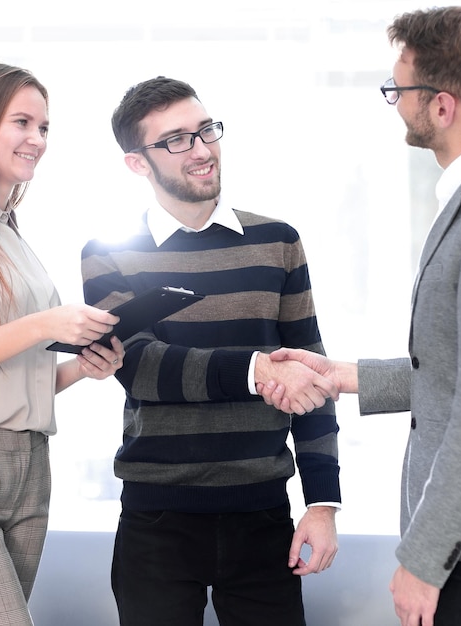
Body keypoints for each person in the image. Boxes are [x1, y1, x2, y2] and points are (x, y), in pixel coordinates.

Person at [260, 6, 461, 626]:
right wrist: (342, 375)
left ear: (442, 106)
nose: (396, 103)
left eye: (401, 89)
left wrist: (422, 559)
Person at [80, 76, 340, 626]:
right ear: (137, 163)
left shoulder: (278, 241)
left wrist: (321, 503)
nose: (201, 150)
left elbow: (312, 374)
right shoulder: (107, 255)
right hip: (156, 521)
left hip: (264, 516)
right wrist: (254, 369)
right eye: (176, 140)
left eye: (206, 131)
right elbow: (143, 369)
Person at [0, 62, 125, 626]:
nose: (38, 140)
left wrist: (80, 369)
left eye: (45, 127)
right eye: (22, 122)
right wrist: (45, 326)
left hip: (30, 470)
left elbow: (11, 374)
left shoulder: (9, 232)